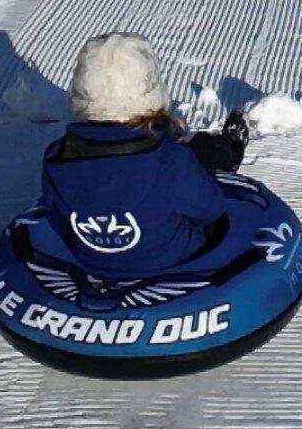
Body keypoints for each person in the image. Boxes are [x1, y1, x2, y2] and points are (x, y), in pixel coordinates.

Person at [38, 32, 251, 278]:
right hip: (174, 258)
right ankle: (228, 149)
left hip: (91, 260)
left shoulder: (58, 156)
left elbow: (57, 218)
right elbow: (211, 208)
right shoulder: (171, 161)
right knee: (203, 147)